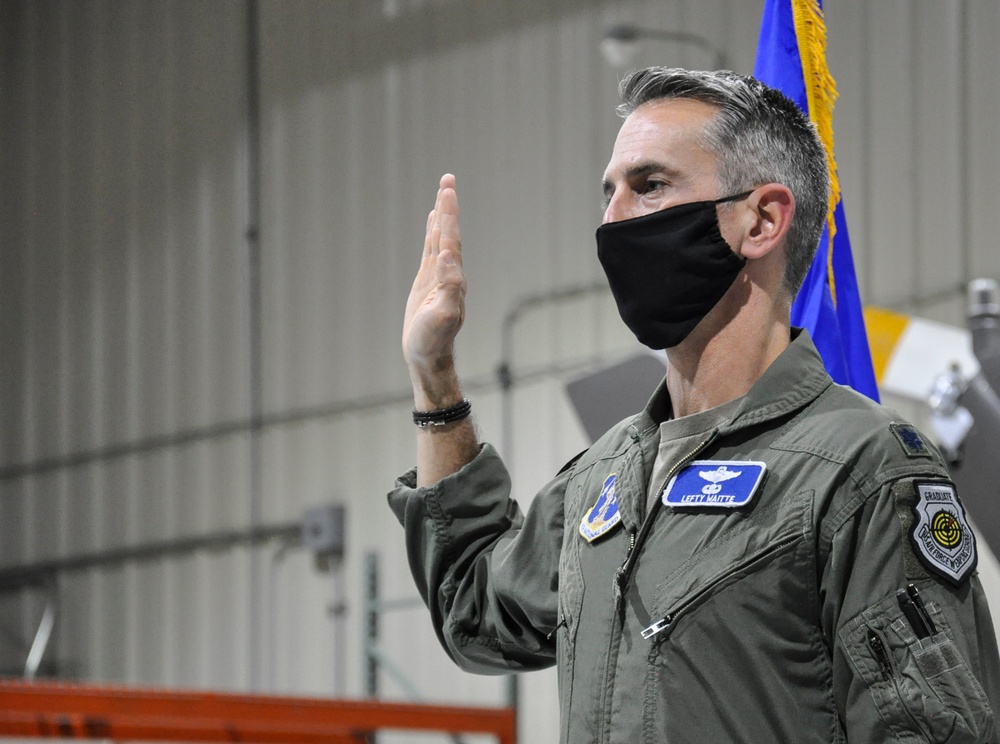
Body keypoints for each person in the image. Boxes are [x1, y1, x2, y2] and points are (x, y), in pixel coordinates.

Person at [388, 67, 1000, 742]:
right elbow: (475, 614)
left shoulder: (861, 472)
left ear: (762, 220)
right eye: (608, 193)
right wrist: (434, 373)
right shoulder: (606, 478)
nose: (612, 220)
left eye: (649, 186)